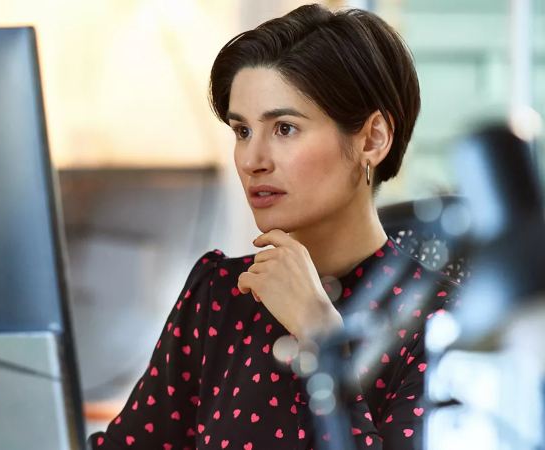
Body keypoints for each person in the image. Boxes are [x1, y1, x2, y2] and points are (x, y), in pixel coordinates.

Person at [89, 3, 458, 449]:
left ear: (372, 139)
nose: (251, 160)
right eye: (242, 131)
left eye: (284, 128)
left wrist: (321, 336)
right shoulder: (220, 294)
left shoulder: (440, 326)